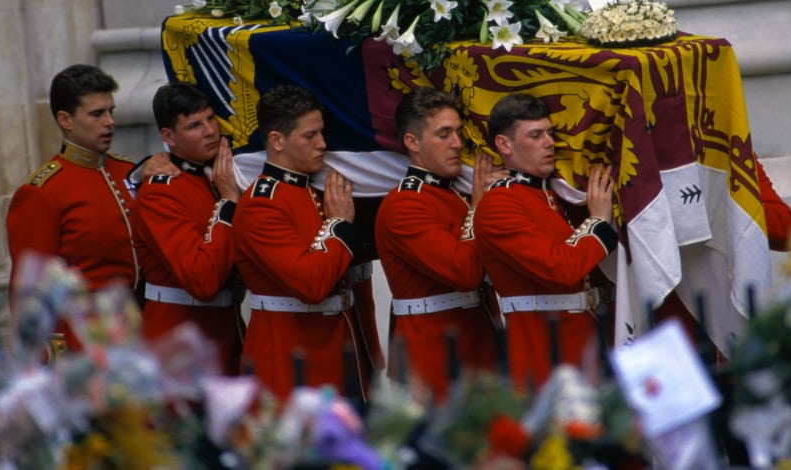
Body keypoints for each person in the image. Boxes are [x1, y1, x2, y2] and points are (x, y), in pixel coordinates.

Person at [6, 64, 174, 354]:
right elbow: (32, 292)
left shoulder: (126, 170)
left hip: (142, 331)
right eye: (97, 114)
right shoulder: (42, 191)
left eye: (111, 111)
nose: (109, 122)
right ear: (65, 119)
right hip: (84, 343)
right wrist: (53, 356)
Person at [232, 84, 373, 402]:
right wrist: (338, 225)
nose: (323, 144)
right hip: (288, 355)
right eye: (310, 136)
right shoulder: (261, 204)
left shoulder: (312, 190)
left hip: (336, 349)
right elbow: (311, 283)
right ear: (277, 141)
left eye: (321, 133)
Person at [472, 92, 618, 390]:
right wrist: (598, 223)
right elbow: (561, 268)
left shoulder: (554, 193)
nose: (550, 142)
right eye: (536, 135)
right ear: (504, 144)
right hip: (544, 348)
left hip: (591, 339)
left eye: (550, 133)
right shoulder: (500, 203)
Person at [374, 87, 503, 403]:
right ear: (412, 142)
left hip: (481, 344)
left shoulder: (455, 194)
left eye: (458, 133)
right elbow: (464, 272)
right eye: (444, 134)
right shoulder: (404, 204)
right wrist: (478, 207)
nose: (458, 144)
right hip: (433, 356)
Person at [132, 82, 245, 375]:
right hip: (178, 342)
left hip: (229, 334)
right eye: (194, 125)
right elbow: (201, 280)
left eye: (210, 118)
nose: (210, 130)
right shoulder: (162, 191)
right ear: (168, 137)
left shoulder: (217, 177)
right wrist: (229, 204)